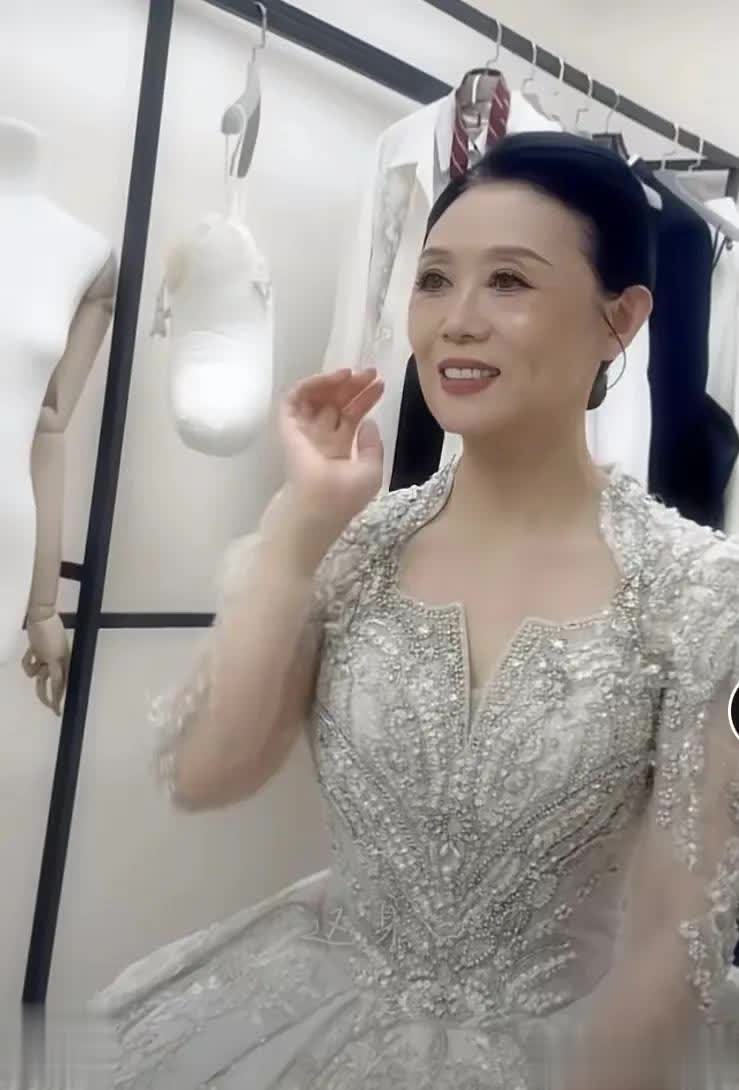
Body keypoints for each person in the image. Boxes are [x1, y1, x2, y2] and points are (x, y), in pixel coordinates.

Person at [91, 133, 739, 1090]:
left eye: (508, 282)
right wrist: (300, 528)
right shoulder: (354, 544)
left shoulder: (701, 592)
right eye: (434, 280)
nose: (455, 322)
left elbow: (674, 937)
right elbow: (207, 773)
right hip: (310, 1023)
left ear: (621, 319)